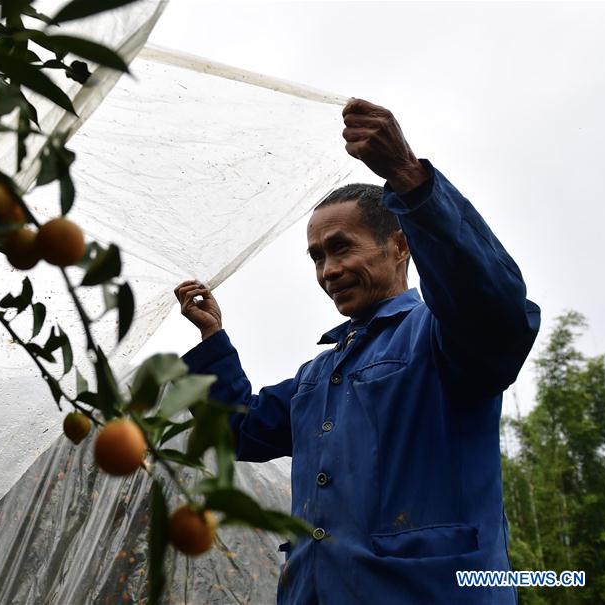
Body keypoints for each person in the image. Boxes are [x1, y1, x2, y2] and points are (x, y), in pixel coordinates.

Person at [173, 98, 540, 604]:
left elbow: (493, 309)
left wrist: (408, 177)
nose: (328, 270)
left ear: (401, 245)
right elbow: (237, 432)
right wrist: (213, 340)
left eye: (342, 247)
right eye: (317, 257)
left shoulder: (443, 337)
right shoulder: (320, 373)